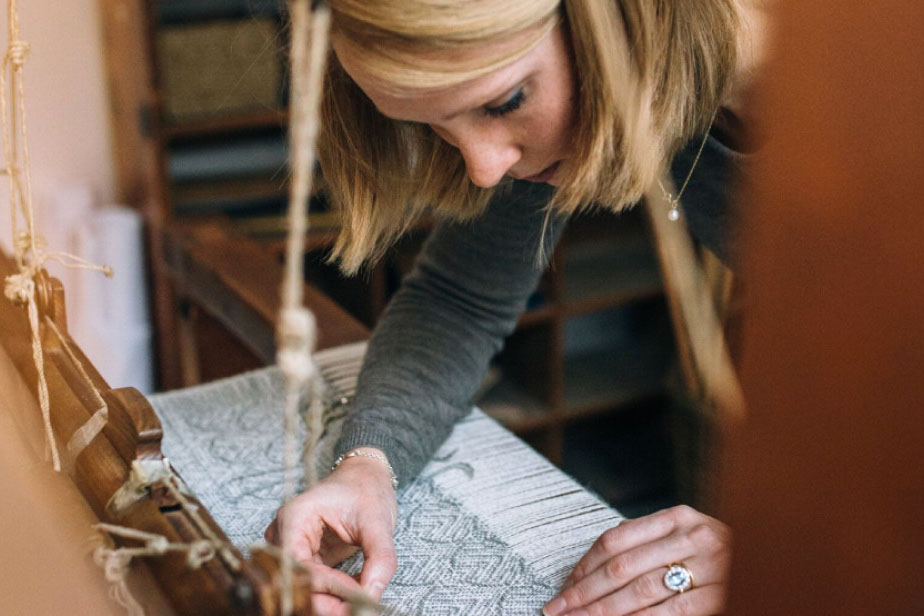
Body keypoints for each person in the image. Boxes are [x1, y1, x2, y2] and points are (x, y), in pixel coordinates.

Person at [266, 1, 769, 614]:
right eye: (437, 126)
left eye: (503, 103)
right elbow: (459, 300)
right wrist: (368, 464)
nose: (483, 168)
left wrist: (791, 554)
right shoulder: (604, 86)